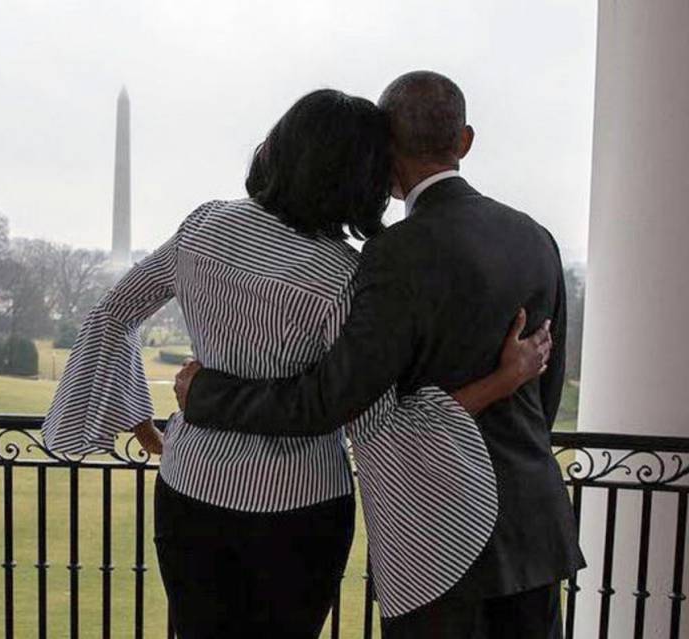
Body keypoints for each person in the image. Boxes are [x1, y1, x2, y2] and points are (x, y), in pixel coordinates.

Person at [42, 88, 550, 638]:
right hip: (301, 506)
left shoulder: (204, 225)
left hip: (188, 485)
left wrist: (138, 418)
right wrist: (502, 381)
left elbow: (113, 313)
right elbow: (376, 422)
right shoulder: (344, 277)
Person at [174, 71, 584, 638]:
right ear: (464, 142)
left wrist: (206, 393)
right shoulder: (535, 237)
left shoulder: (392, 254)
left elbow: (329, 400)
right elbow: (546, 385)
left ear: (384, 147)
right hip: (535, 528)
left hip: (435, 535)